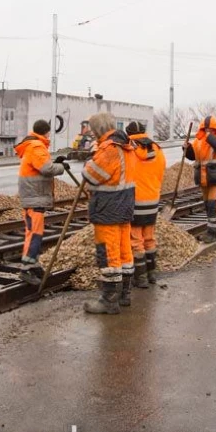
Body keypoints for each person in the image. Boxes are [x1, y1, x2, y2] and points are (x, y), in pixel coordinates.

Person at [81, 112, 137, 314]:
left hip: (108, 208)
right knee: (124, 251)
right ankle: (125, 295)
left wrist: (89, 162)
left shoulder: (110, 149)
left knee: (109, 254)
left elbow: (92, 175)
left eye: (93, 130)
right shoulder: (127, 146)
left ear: (98, 130)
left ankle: (109, 300)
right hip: (124, 206)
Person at [14, 119, 68, 285]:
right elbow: (46, 169)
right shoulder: (37, 146)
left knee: (34, 233)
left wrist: (56, 163)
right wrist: (62, 167)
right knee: (34, 234)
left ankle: (34, 263)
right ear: (46, 132)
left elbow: (43, 165)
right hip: (34, 197)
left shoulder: (33, 146)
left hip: (33, 196)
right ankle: (26, 269)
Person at [126, 121, 166, 289]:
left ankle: (140, 278)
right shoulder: (157, 149)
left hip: (135, 201)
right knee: (149, 238)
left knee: (136, 241)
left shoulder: (129, 149)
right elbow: (161, 171)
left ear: (128, 133)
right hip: (152, 200)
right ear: (144, 131)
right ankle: (152, 274)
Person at [185, 115, 216, 243]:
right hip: (204, 176)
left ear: (215, 128)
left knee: (212, 203)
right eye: (205, 129)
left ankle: (213, 233)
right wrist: (187, 149)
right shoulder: (199, 140)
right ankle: (211, 230)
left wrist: (209, 137)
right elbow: (193, 156)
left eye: (210, 129)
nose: (207, 131)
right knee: (207, 204)